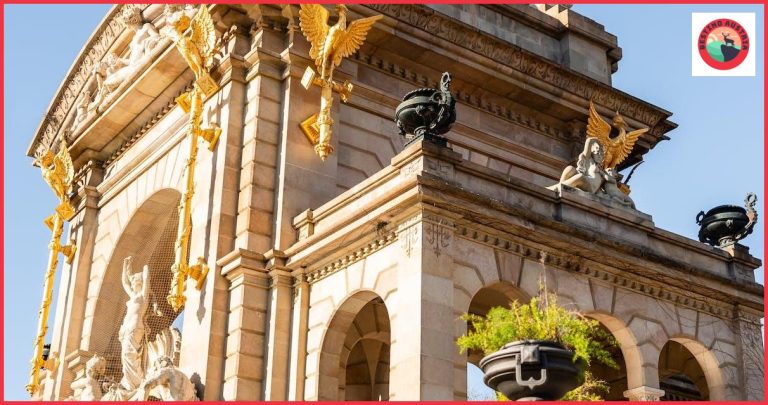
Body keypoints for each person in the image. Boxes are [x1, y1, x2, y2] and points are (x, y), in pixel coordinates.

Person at [119, 256, 150, 391]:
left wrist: (145, 269)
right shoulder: (132, 296)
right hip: (126, 330)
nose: (132, 283)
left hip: (135, 328)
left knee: (130, 355)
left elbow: (147, 280)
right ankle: (131, 384)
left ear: (140, 282)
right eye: (133, 281)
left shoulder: (143, 296)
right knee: (125, 356)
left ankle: (137, 383)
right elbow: (124, 283)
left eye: (135, 281)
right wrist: (126, 265)